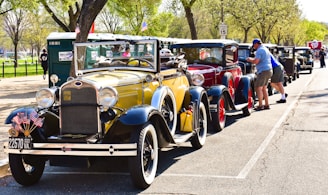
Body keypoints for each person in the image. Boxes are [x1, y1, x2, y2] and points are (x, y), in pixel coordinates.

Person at [246, 38, 273, 111]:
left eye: (254, 45)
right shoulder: (265, 49)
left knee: (258, 87)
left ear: (256, 44)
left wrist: (249, 59)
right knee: (264, 88)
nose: (254, 47)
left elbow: (256, 61)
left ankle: (260, 105)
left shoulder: (259, 50)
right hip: (269, 70)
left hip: (263, 71)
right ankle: (267, 104)